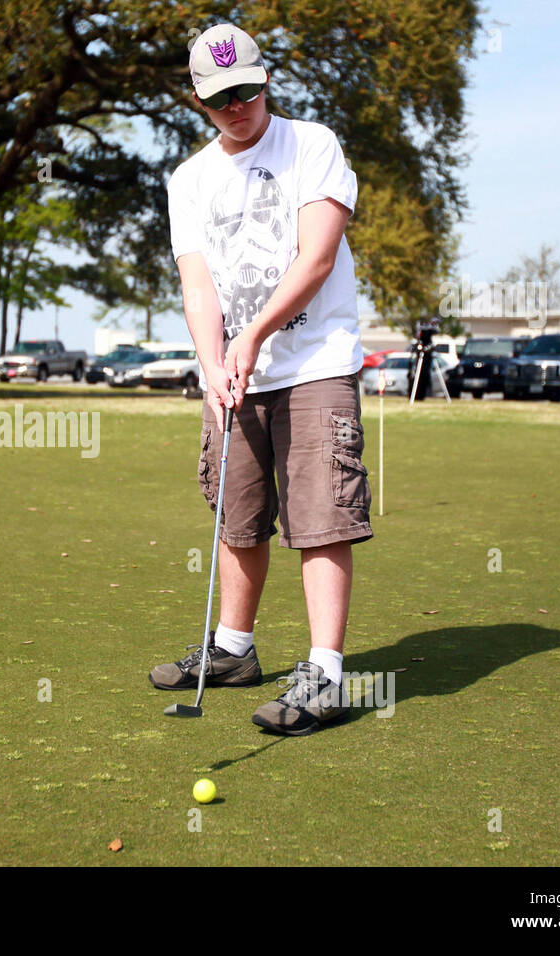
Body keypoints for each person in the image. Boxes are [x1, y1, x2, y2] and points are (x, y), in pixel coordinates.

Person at [149, 24, 373, 735]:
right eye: (220, 98)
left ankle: (327, 676)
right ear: (197, 99)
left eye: (247, 90)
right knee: (236, 511)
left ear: (266, 79)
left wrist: (252, 335)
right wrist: (213, 363)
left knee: (318, 516)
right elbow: (197, 285)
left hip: (315, 365)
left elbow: (315, 258)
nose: (237, 106)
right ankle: (234, 649)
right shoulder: (188, 180)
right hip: (237, 375)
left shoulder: (313, 146)